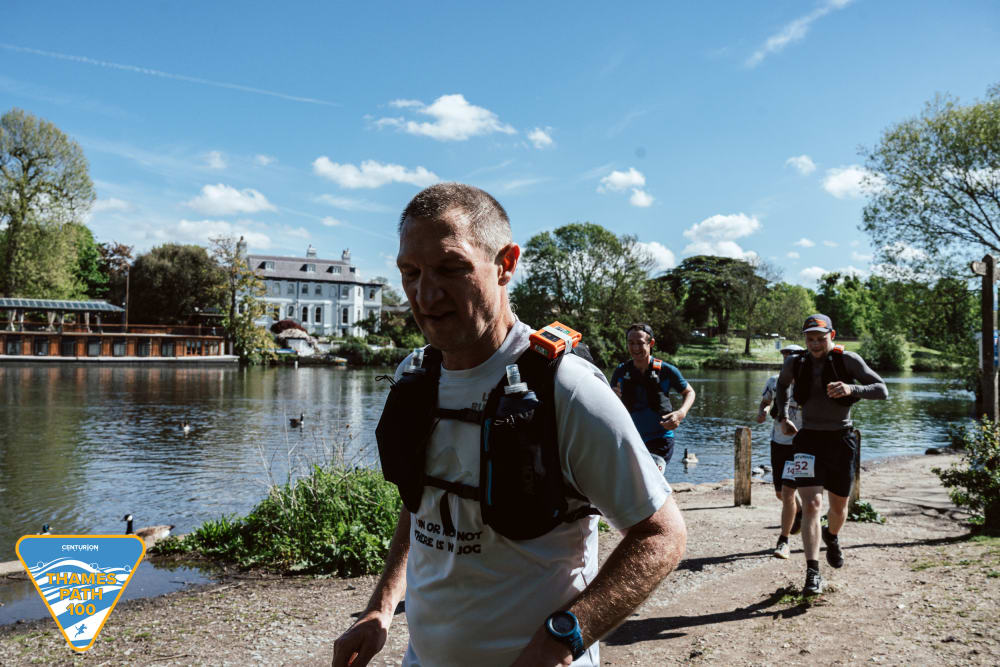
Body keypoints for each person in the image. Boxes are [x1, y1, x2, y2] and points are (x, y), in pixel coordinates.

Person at [332, 183, 687, 667]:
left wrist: (561, 641)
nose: (425, 294)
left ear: (506, 264)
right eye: (410, 273)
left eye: (451, 268)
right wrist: (381, 606)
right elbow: (422, 503)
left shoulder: (567, 389)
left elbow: (662, 535)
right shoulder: (415, 378)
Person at [772, 314, 888, 596]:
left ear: (832, 336)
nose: (814, 344)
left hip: (841, 439)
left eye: (820, 339)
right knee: (811, 504)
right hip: (808, 439)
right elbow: (782, 386)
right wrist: (783, 416)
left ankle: (832, 535)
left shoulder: (847, 360)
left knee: (838, 508)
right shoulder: (795, 362)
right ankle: (812, 571)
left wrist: (851, 388)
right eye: (810, 339)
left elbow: (882, 390)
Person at [610, 323, 696, 470]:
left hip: (660, 440)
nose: (635, 348)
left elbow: (689, 392)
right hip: (630, 439)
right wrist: (613, 396)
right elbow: (609, 402)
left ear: (651, 343)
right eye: (631, 343)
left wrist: (681, 413)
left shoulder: (666, 370)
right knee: (631, 479)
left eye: (640, 343)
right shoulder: (621, 371)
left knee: (650, 477)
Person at [756, 343, 805, 559]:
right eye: (785, 355)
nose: (788, 359)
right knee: (780, 493)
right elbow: (765, 402)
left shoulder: (808, 383)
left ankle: (783, 541)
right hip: (778, 441)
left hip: (800, 444)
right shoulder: (774, 381)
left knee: (787, 492)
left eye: (791, 355)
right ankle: (799, 511)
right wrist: (762, 412)